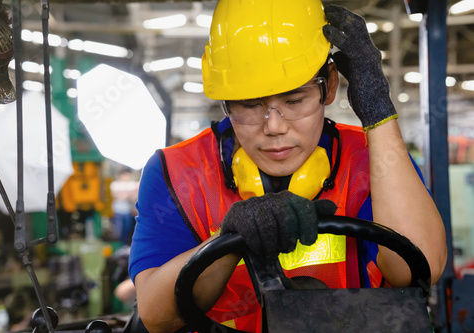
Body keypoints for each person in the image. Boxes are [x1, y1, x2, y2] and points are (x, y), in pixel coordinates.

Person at [128, 1, 447, 332]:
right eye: (250, 105)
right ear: (224, 101)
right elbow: (156, 316)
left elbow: (419, 268)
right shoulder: (176, 172)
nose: (275, 126)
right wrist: (227, 241)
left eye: (295, 101)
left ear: (330, 85)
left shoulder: (371, 158)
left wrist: (378, 111)